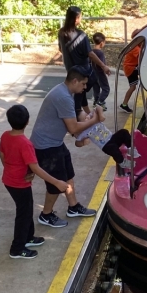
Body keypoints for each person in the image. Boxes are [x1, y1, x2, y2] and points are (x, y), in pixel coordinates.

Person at [31, 67, 103, 227]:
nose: (85, 88)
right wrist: (95, 120)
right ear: (75, 81)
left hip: (55, 142)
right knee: (56, 184)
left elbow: (73, 124)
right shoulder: (63, 97)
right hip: (46, 146)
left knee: (68, 175)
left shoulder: (65, 92)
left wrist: (87, 122)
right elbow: (73, 128)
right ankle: (46, 214)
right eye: (83, 84)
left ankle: (73, 207)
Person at [0, 105, 71, 259]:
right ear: (27, 122)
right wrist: (56, 182)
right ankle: (17, 248)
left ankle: (28, 237)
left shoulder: (5, 136)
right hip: (19, 184)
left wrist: (10, 169)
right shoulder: (25, 143)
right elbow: (36, 167)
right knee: (23, 214)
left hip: (10, 180)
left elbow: (2, 156)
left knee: (27, 208)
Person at [58, 5, 111, 116]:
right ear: (77, 18)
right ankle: (78, 121)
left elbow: (60, 49)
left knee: (80, 93)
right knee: (84, 90)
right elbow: (90, 54)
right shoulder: (81, 35)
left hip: (71, 71)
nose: (81, 18)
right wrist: (103, 66)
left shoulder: (61, 33)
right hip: (83, 71)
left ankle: (88, 114)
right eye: (80, 16)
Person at [119, 26, 146, 113]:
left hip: (133, 66)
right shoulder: (135, 48)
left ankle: (124, 104)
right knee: (133, 87)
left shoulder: (137, 46)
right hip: (131, 68)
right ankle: (124, 104)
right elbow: (141, 58)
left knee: (134, 86)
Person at [88, 32, 110, 109]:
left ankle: (96, 101)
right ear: (101, 43)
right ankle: (99, 103)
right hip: (100, 74)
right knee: (106, 89)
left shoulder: (91, 52)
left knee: (96, 88)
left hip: (93, 73)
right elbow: (102, 64)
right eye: (104, 42)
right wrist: (106, 70)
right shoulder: (100, 53)